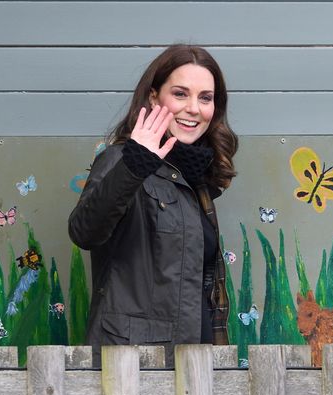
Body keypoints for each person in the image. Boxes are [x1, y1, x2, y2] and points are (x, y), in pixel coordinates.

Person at [68, 44, 239, 367]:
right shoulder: (122, 160)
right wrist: (136, 163)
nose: (193, 108)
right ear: (153, 98)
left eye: (205, 98)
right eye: (180, 94)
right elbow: (84, 231)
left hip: (194, 361)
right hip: (134, 365)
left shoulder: (198, 181)